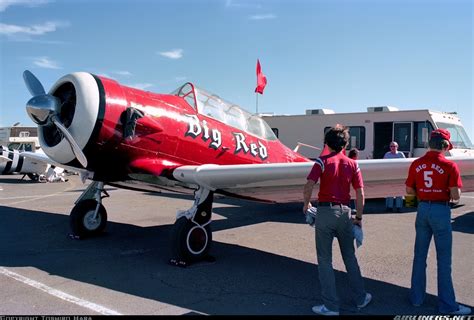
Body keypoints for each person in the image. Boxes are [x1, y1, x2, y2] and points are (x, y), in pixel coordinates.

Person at [303, 125, 371, 316]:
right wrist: (358, 217)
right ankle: (360, 298)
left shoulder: (321, 162)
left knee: (325, 260)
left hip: (325, 213)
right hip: (345, 213)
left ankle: (331, 306)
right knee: (350, 257)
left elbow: (308, 185)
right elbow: (360, 193)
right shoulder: (353, 163)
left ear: (327, 143)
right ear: (345, 144)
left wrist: (306, 205)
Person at [405, 129, 470, 315]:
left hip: (423, 209)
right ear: (444, 145)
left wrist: (424, 196)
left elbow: (409, 190)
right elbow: (456, 196)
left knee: (419, 257)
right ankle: (447, 305)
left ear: (429, 143)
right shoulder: (450, 166)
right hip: (441, 210)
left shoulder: (416, 164)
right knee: (444, 261)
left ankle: (416, 299)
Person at [384, 141, 406, 212]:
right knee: (389, 192)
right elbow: (383, 165)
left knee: (399, 192)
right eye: (391, 146)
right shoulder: (387, 155)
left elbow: (405, 165)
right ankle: (389, 207)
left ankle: (399, 207)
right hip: (389, 176)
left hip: (399, 176)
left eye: (394, 146)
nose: (393, 148)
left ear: (397, 147)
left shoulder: (401, 154)